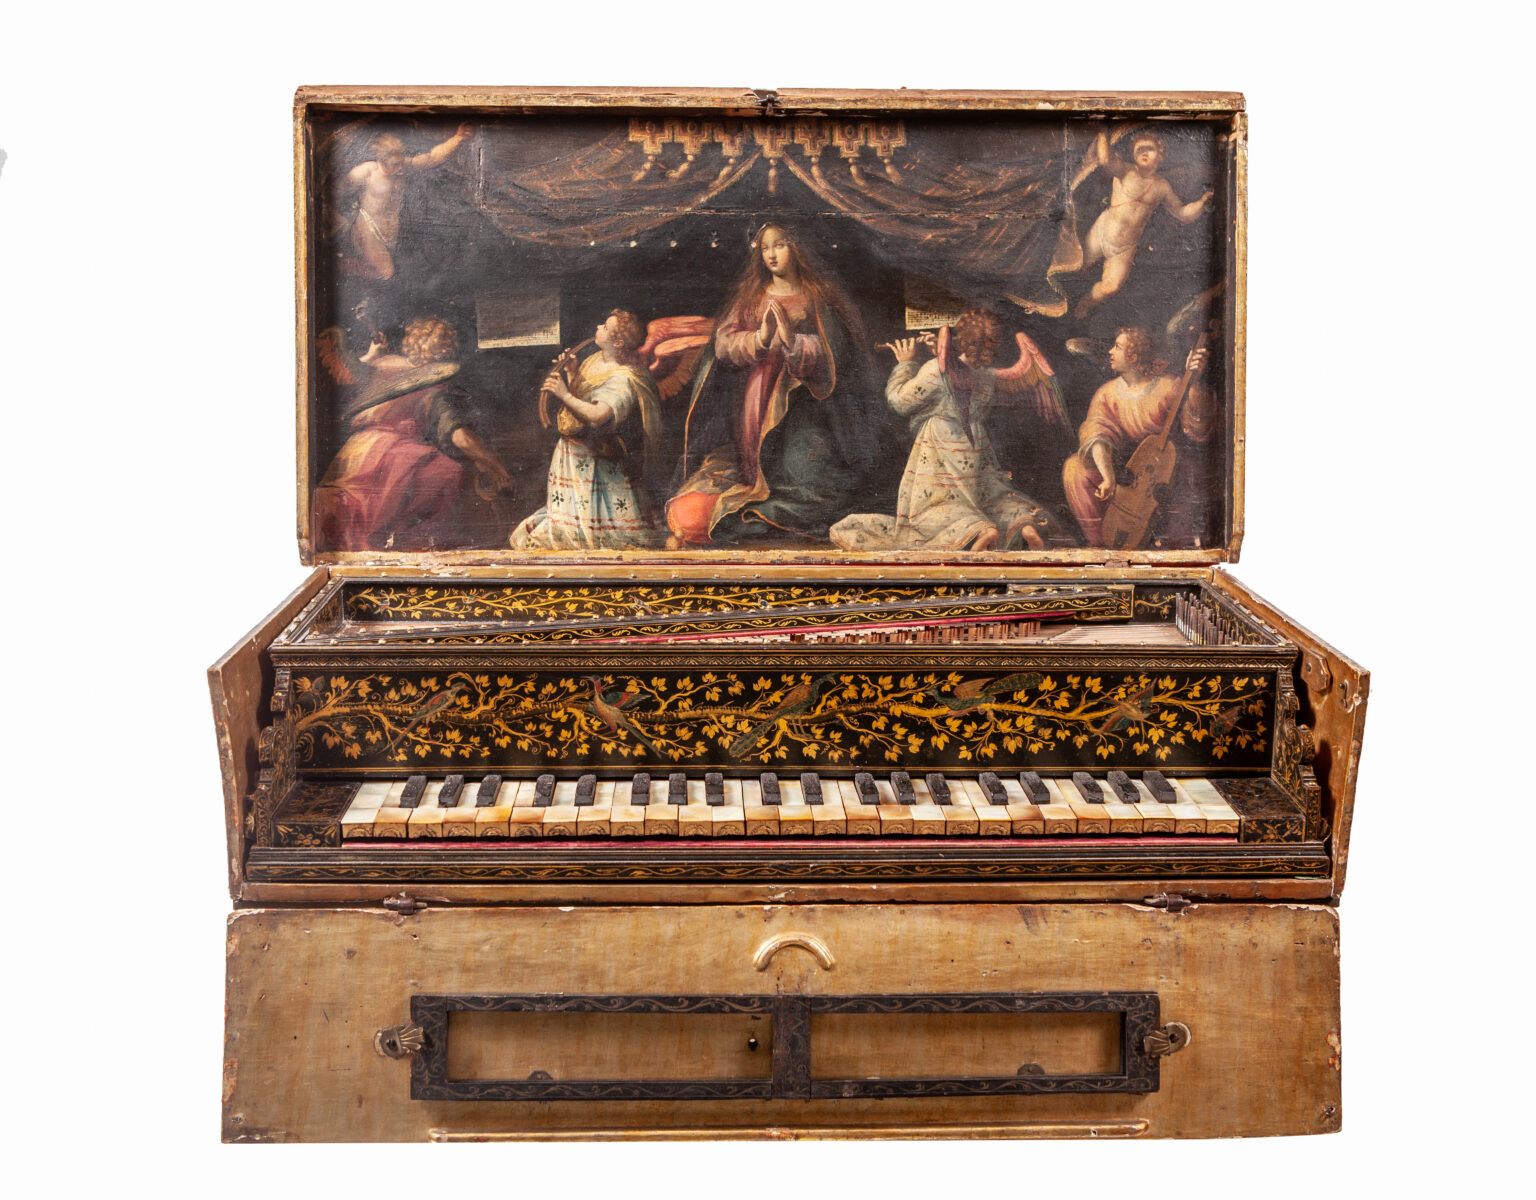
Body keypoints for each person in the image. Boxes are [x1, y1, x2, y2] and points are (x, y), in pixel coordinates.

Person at [665, 224, 891, 546]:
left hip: (807, 402)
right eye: (765, 248)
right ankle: (754, 498)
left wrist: (793, 342)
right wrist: (760, 338)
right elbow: (724, 344)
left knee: (809, 474)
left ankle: (758, 515)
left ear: (796, 248)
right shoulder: (751, 296)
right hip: (758, 397)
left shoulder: (818, 294)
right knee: (758, 464)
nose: (771, 255)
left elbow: (838, 352)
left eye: (780, 245)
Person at [831, 311, 1063, 552]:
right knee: (988, 499)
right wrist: (942, 356)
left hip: (941, 444)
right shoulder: (987, 376)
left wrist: (905, 363)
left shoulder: (935, 370)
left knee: (941, 503)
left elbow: (899, 401)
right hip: (976, 444)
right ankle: (1024, 526)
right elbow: (960, 382)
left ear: (960, 338)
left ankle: (983, 531)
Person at [313, 317, 510, 551]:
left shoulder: (389, 363)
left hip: (360, 448)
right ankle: (404, 539)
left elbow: (359, 369)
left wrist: (372, 354)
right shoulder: (430, 382)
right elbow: (461, 437)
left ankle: (396, 540)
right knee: (447, 472)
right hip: (388, 451)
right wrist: (497, 466)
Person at [511, 310, 664, 550]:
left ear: (618, 342)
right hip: (572, 452)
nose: (599, 326)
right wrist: (572, 372)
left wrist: (563, 394)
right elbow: (584, 397)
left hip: (595, 458)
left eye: (606, 326)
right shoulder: (594, 360)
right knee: (572, 509)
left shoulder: (623, 379)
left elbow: (597, 416)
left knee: (597, 516)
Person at [1062, 326, 1213, 546]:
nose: (1110, 352)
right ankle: (1100, 544)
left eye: (1117, 347)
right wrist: (1108, 477)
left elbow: (1197, 427)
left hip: (1163, 473)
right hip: (1124, 474)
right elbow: (1097, 435)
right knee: (1075, 467)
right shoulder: (1106, 393)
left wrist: (1194, 381)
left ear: (1133, 357)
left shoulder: (1169, 385)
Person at [1075, 130, 1214, 317]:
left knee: (1110, 287)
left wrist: (1202, 203)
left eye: (1149, 149)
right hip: (1102, 233)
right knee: (1076, 269)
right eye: (1139, 149)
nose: (1144, 153)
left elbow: (1183, 214)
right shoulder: (1126, 170)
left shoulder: (1162, 186)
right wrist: (1102, 133)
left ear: (1160, 155)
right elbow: (1105, 160)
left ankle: (1084, 304)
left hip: (1125, 248)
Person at [339, 124, 473, 281]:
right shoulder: (367, 172)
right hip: (369, 230)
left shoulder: (403, 167)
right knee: (386, 273)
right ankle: (344, 264)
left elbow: (433, 157)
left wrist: (458, 138)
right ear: (382, 161)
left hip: (392, 234)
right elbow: (338, 191)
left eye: (401, 162)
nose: (400, 167)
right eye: (395, 164)